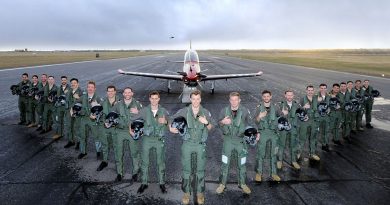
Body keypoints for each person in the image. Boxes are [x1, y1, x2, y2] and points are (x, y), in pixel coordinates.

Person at [169, 90, 215, 205]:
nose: (195, 101)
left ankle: (200, 193)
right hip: (187, 144)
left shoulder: (205, 112)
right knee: (186, 171)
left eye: (198, 99)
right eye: (193, 99)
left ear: (200, 99)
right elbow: (171, 118)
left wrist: (206, 123)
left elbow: (212, 127)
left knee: (200, 171)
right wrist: (170, 127)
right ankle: (186, 193)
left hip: (200, 145)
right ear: (190, 99)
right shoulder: (184, 111)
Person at [215, 92, 252, 195]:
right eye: (232, 100)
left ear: (239, 100)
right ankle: (222, 184)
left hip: (240, 141)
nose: (234, 102)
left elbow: (251, 123)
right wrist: (223, 122)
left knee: (242, 163)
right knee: (225, 163)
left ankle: (243, 183)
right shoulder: (224, 111)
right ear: (229, 100)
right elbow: (218, 124)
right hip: (228, 141)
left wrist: (256, 132)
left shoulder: (245, 111)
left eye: (236, 99)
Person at [136, 91, 169, 194]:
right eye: (152, 98)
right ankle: (144, 183)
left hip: (159, 140)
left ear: (159, 99)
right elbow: (133, 120)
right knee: (145, 162)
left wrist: (166, 122)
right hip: (147, 139)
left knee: (160, 163)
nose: (154, 100)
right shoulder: (144, 111)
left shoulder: (164, 111)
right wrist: (131, 130)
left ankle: (162, 183)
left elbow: (171, 123)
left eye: (156, 98)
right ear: (149, 99)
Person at [112, 87, 143, 182]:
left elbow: (144, 117)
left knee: (134, 153)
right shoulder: (118, 105)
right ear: (123, 94)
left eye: (129, 92)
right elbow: (112, 116)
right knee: (119, 153)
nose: (127, 94)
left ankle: (135, 172)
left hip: (132, 132)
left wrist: (138, 112)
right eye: (125, 92)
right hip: (120, 131)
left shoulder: (137, 104)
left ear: (132, 93)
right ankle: (119, 173)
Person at [254, 90, 281, 182]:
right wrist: (259, 116)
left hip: (273, 133)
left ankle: (274, 173)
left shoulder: (276, 107)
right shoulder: (259, 108)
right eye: (264, 96)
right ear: (262, 97)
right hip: (263, 132)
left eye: (268, 96)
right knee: (260, 153)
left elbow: (281, 118)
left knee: (273, 154)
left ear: (271, 97)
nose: (266, 98)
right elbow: (255, 121)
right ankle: (259, 173)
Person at [96, 85, 120, 171]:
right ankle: (104, 161)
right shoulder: (103, 102)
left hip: (115, 128)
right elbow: (98, 112)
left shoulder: (120, 103)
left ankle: (118, 164)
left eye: (112, 91)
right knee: (105, 145)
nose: (110, 93)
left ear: (115, 92)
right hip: (105, 127)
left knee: (116, 147)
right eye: (108, 91)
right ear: (107, 92)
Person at [78, 81, 103, 159]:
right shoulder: (83, 97)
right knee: (82, 136)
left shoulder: (98, 98)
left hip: (93, 120)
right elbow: (76, 104)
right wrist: (74, 110)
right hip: (84, 119)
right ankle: (83, 152)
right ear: (87, 88)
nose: (90, 89)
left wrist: (96, 115)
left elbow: (102, 109)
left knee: (96, 137)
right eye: (89, 87)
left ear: (95, 89)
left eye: (92, 87)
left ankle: (98, 152)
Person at [277, 89, 301, 170]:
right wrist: (282, 113)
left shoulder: (297, 105)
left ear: (293, 96)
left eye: (291, 95)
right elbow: (274, 116)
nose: (289, 96)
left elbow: (301, 116)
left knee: (293, 145)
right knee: (281, 145)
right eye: (288, 95)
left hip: (293, 129)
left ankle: (294, 161)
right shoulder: (280, 105)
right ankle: (279, 160)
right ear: (285, 95)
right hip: (283, 129)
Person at [297, 85, 320, 162]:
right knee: (302, 138)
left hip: (314, 121)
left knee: (313, 137)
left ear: (314, 91)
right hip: (305, 121)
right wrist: (303, 107)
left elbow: (321, 107)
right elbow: (297, 110)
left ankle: (312, 153)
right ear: (306, 91)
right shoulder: (302, 99)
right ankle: (299, 152)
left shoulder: (316, 99)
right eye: (309, 90)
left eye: (311, 90)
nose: (310, 92)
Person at [64, 78, 83, 149]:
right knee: (69, 126)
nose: (73, 84)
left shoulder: (81, 92)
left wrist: (78, 98)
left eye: (74, 83)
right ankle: (71, 141)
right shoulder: (69, 91)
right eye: (72, 83)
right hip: (69, 111)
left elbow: (84, 102)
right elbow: (67, 101)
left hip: (77, 112)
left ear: (78, 84)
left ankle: (79, 142)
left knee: (77, 127)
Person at [316, 84, 331, 152]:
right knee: (317, 132)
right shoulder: (315, 96)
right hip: (319, 117)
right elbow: (312, 106)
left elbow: (330, 104)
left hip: (326, 117)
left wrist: (329, 109)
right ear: (319, 88)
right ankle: (314, 147)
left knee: (326, 130)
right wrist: (317, 101)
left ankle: (324, 144)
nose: (323, 89)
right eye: (321, 88)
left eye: (324, 88)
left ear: (326, 89)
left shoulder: (328, 96)